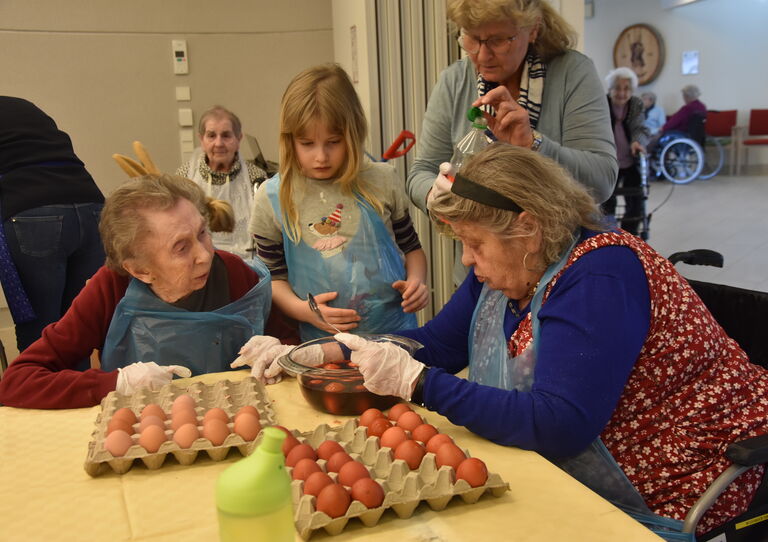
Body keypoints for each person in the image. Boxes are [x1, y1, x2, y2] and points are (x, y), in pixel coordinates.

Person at [332, 144, 767, 539]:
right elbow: (440, 343)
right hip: (585, 459)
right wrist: (345, 348)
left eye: (475, 244)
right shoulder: (510, 266)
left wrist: (422, 384)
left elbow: (561, 424)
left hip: (682, 473)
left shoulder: (599, 275)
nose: (467, 259)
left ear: (529, 229)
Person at [0, 173, 296, 409]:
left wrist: (279, 350)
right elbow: (18, 380)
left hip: (233, 421)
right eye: (181, 248)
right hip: (143, 430)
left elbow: (288, 340)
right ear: (140, 270)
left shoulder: (232, 272)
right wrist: (114, 384)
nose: (205, 255)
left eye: (202, 233)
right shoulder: (112, 288)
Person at [406, 0, 617, 285]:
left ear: (532, 29)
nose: (482, 55)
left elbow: (602, 181)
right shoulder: (454, 81)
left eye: (497, 40)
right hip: (480, 276)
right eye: (471, 38)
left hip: (563, 274)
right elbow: (421, 172)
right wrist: (436, 194)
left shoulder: (572, 74)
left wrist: (532, 145)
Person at [249, 64, 428, 341]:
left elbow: (412, 249)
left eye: (333, 141)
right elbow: (273, 279)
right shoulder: (272, 198)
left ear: (353, 133)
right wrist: (305, 310)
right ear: (289, 140)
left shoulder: (382, 180)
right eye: (307, 143)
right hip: (320, 341)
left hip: (394, 335)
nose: (321, 156)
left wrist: (416, 282)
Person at [0, 96, 106, 358]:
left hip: (34, 214)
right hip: (93, 208)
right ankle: (77, 395)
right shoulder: (22, 106)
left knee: (39, 332)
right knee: (76, 326)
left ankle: (41, 396)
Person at [176, 106, 266, 259]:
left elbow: (266, 229)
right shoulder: (184, 177)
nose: (219, 143)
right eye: (211, 136)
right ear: (201, 140)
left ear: (238, 139)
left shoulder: (256, 177)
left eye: (226, 136)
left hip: (246, 262)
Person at [602, 68, 650, 236]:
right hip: (608, 162)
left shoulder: (636, 104)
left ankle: (629, 237)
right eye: (617, 88)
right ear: (610, 89)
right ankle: (609, 236)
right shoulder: (602, 103)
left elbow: (640, 127)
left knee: (636, 202)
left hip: (630, 160)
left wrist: (637, 142)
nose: (622, 93)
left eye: (627, 88)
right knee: (607, 200)